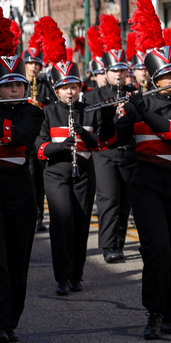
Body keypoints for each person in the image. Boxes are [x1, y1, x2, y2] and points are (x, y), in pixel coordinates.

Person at [115, 44, 171, 339]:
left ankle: (170, 314)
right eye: (167, 76)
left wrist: (140, 109)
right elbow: (109, 140)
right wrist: (110, 115)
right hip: (146, 184)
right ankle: (154, 313)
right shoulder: (138, 105)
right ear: (154, 80)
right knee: (157, 249)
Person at [37, 58, 114, 296]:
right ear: (56, 89)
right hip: (56, 173)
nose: (70, 91)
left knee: (81, 222)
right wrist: (60, 146)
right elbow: (40, 147)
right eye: (65, 87)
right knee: (62, 221)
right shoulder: (47, 113)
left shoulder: (89, 111)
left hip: (83, 171)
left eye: (74, 86)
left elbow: (101, 144)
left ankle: (76, 274)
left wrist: (83, 134)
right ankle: (62, 277)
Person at [0, 26, 45, 343]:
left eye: (18, 84)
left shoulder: (32, 112)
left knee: (17, 258)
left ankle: (11, 318)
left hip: (20, 192)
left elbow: (19, 135)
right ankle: (1, 322)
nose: (15, 89)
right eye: (8, 85)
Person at [85, 17, 137, 264]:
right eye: (114, 70)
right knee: (109, 200)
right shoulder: (95, 95)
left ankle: (119, 244)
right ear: (105, 72)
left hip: (128, 153)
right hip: (104, 154)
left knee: (125, 202)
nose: (119, 74)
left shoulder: (134, 94)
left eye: (122, 70)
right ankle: (108, 246)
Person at [22, 43, 54, 232]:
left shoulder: (44, 84)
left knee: (40, 178)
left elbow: (51, 105)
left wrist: (40, 104)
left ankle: (39, 217)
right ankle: (28, 213)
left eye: (36, 64)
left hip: (40, 136)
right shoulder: (18, 83)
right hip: (24, 138)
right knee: (28, 175)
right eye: (30, 63)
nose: (34, 67)